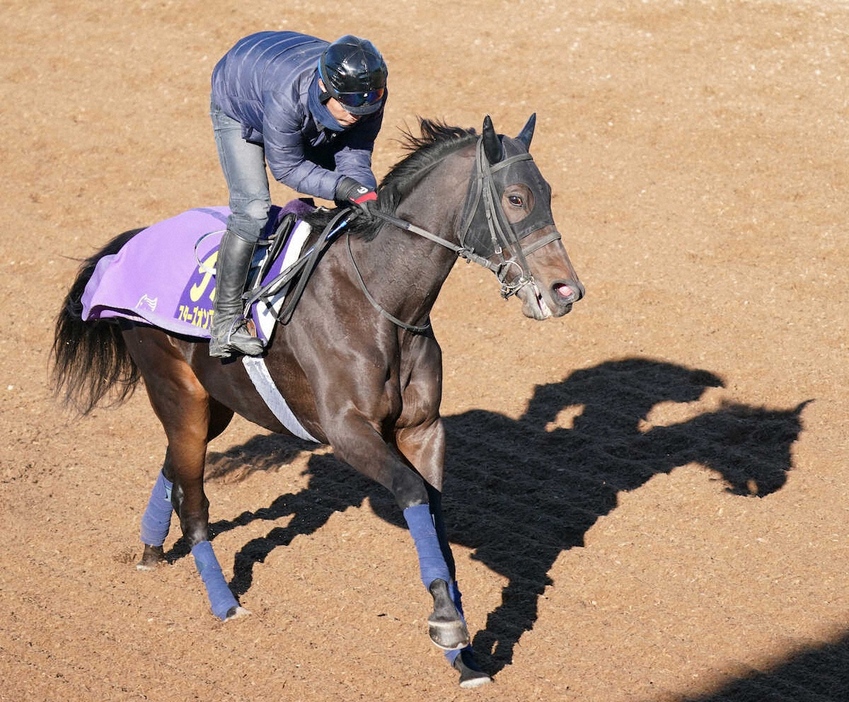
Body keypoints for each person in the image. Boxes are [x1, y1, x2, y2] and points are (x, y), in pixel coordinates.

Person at [208, 31, 388, 358]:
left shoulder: (366, 97)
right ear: (324, 87)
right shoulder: (286, 96)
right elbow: (288, 167)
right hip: (238, 95)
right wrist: (343, 187)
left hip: (284, 93)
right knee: (253, 210)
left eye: (364, 110)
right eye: (348, 108)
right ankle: (224, 323)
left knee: (353, 194)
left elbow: (354, 152)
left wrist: (362, 190)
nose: (356, 117)